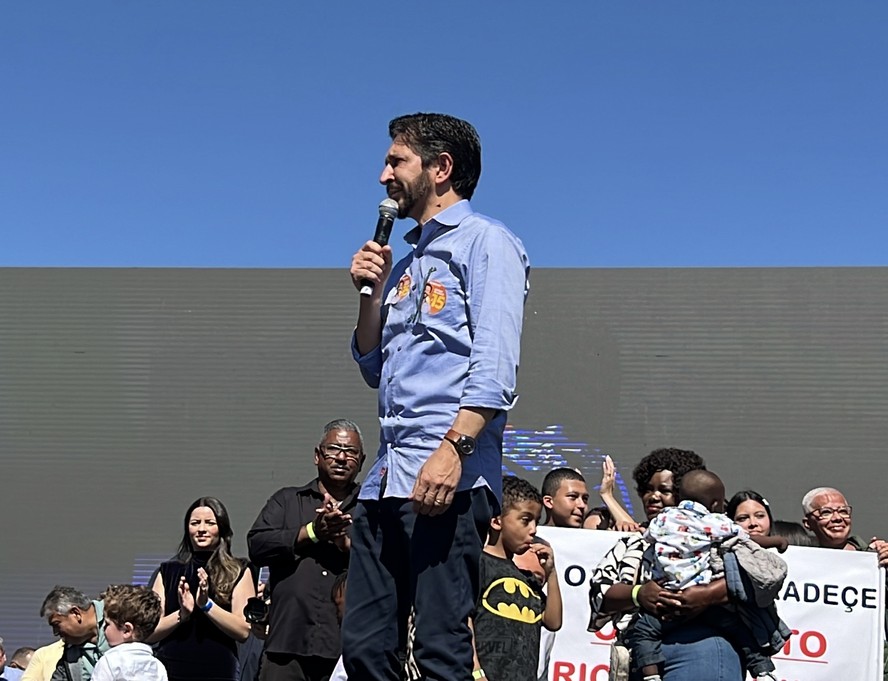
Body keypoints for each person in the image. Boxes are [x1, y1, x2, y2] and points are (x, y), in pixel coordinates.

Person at [344, 112, 530, 681]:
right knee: (366, 648)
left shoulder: (488, 243)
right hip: (387, 478)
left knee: (440, 648)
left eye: (396, 160)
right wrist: (369, 296)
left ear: (440, 168)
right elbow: (373, 367)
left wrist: (454, 450)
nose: (383, 175)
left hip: (447, 473)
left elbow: (495, 366)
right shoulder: (403, 261)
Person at [588, 448, 747, 681]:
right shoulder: (633, 543)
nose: (653, 497)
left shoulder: (718, 538)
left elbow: (757, 579)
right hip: (642, 658)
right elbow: (599, 594)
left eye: (665, 490)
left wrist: (707, 594)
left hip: (704, 653)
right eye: (647, 489)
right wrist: (637, 593)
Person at [626, 470, 788, 681]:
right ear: (714, 504)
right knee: (739, 629)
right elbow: (747, 540)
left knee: (643, 632)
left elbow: (648, 537)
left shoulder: (662, 519)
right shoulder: (716, 522)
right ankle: (763, 670)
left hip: (666, 602)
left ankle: (651, 676)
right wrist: (777, 541)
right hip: (705, 603)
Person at [248, 419, 364, 681]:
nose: (342, 458)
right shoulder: (288, 500)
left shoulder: (372, 508)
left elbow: (387, 562)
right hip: (287, 646)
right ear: (317, 455)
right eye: (334, 449)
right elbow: (258, 545)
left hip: (349, 651)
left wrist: (345, 544)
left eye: (351, 452)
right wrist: (312, 532)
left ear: (363, 460)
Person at [149, 497, 255, 681]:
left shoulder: (238, 570)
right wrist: (182, 614)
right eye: (195, 523)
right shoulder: (168, 571)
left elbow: (243, 630)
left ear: (221, 528)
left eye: (210, 523)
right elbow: (149, 631)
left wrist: (206, 605)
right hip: (172, 668)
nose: (201, 529)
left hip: (219, 668)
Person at [471, 476, 562, 681]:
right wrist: (476, 672)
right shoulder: (478, 563)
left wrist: (552, 573)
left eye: (536, 521)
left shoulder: (527, 579)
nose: (533, 529)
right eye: (525, 520)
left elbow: (553, 622)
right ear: (496, 521)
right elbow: (464, 620)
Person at [91, 585, 167, 681]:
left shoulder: (109, 662)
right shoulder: (157, 666)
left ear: (127, 630)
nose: (103, 629)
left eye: (107, 624)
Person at [39, 586, 109, 681]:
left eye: (56, 624)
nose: (55, 633)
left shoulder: (121, 615)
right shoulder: (70, 651)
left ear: (76, 613)